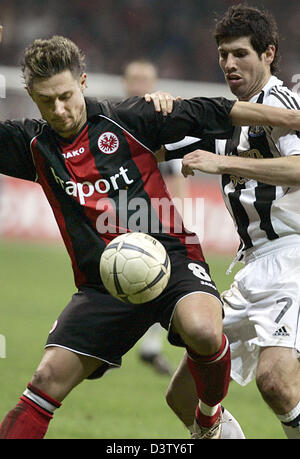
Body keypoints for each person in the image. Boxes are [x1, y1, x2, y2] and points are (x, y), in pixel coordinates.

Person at [0, 36, 299, 441]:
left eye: (66, 96)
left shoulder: (131, 117)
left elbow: (217, 110)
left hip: (171, 260)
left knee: (206, 332)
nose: (59, 109)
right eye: (45, 101)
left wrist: (297, 121)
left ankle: (209, 416)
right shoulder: (32, 145)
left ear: (84, 82)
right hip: (103, 285)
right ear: (32, 98)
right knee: (45, 378)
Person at [161, 4, 300, 439]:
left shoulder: (277, 102)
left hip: (292, 259)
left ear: (268, 54)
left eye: (240, 53)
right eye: (223, 54)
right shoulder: (231, 114)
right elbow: (161, 144)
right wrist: (156, 106)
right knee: (184, 395)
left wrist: (222, 162)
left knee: (275, 381)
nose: (229, 63)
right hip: (254, 265)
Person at [122, 59, 174, 376]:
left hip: (155, 214)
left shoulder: (162, 124)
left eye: (145, 79)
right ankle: (108, 344)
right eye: (135, 78)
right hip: (116, 213)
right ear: (125, 83)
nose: (140, 84)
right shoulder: (108, 120)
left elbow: (176, 171)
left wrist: (180, 212)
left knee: (161, 279)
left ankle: (150, 344)